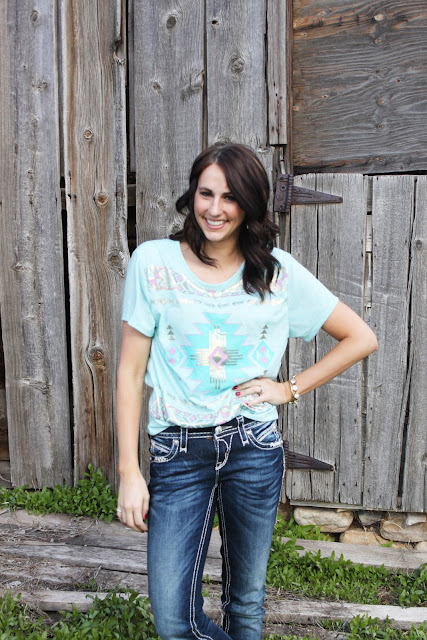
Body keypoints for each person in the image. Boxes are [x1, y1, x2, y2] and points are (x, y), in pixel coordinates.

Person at [115, 142, 378, 640]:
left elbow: (360, 338)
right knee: (173, 620)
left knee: (246, 604)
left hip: (252, 447)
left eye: (230, 197)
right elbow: (130, 372)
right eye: (206, 193)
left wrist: (288, 389)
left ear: (250, 204)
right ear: (192, 195)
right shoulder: (153, 264)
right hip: (178, 450)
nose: (215, 209)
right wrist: (130, 472)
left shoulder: (276, 273)